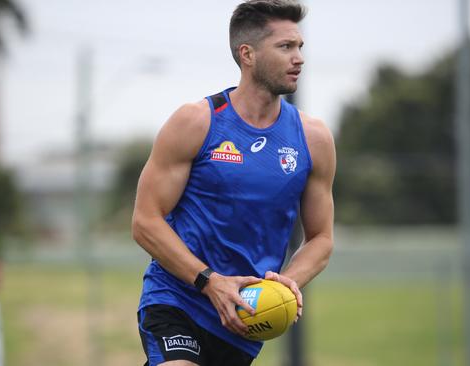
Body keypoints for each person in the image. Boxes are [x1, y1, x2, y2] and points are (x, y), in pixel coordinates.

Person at [132, 1, 336, 365]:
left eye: (300, 47)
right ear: (248, 54)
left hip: (243, 319)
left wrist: (285, 284)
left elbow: (321, 238)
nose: (299, 58)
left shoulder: (314, 138)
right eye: (286, 47)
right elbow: (146, 222)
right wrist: (210, 282)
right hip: (179, 298)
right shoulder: (197, 122)